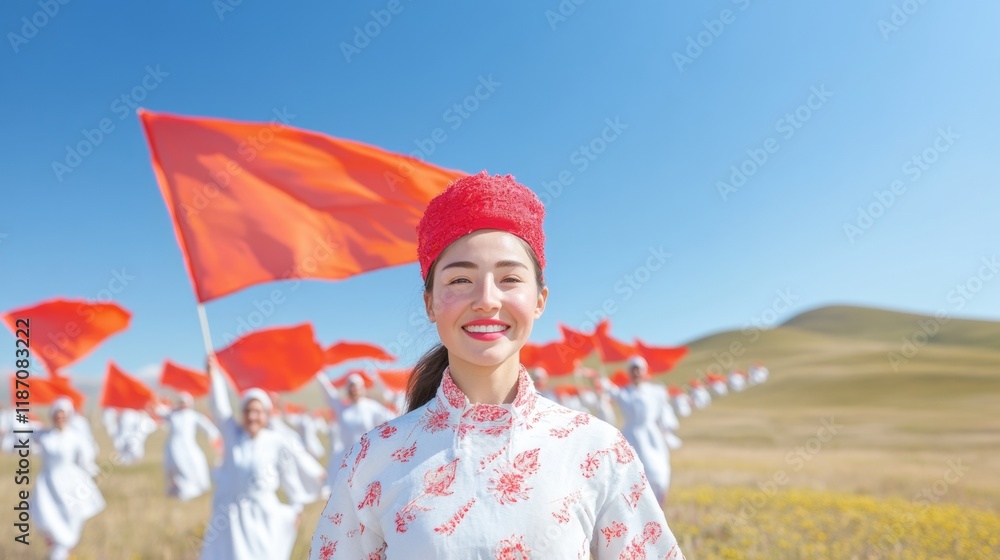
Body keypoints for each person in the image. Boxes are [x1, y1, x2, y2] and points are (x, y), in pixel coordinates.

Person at [310, 172, 683, 558]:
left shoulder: (597, 449)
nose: (486, 300)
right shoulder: (373, 458)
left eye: (508, 278)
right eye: (459, 279)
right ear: (430, 304)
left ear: (539, 300)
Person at [200, 358, 324, 560]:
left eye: (257, 411)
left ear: (266, 414)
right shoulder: (233, 435)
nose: (252, 416)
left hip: (263, 515)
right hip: (231, 516)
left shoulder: (277, 441)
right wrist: (214, 377)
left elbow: (290, 476)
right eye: (248, 411)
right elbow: (220, 408)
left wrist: (295, 507)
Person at [594, 356, 678, 503]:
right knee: (630, 478)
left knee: (658, 476)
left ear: (644, 371)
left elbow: (665, 413)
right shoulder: (623, 392)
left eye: (638, 370)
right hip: (630, 438)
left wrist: (668, 432)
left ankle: (659, 509)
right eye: (633, 370)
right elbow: (606, 389)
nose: (636, 373)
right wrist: (598, 379)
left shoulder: (656, 391)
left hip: (652, 439)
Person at [32, 398, 105, 560]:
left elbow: (85, 460)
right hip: (48, 484)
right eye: (57, 414)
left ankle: (63, 549)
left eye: (63, 414)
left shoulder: (76, 437)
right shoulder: (44, 435)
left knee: (71, 516)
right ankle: (57, 548)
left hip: (70, 483)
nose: (60, 417)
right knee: (48, 515)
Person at [156, 392, 220, 501]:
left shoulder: (193, 415)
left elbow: (207, 426)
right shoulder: (173, 414)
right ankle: (177, 490)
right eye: (181, 402)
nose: (182, 404)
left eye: (184, 402)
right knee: (174, 468)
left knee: (194, 464)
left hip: (188, 446)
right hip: (174, 447)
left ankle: (193, 488)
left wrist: (214, 436)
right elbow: (159, 411)